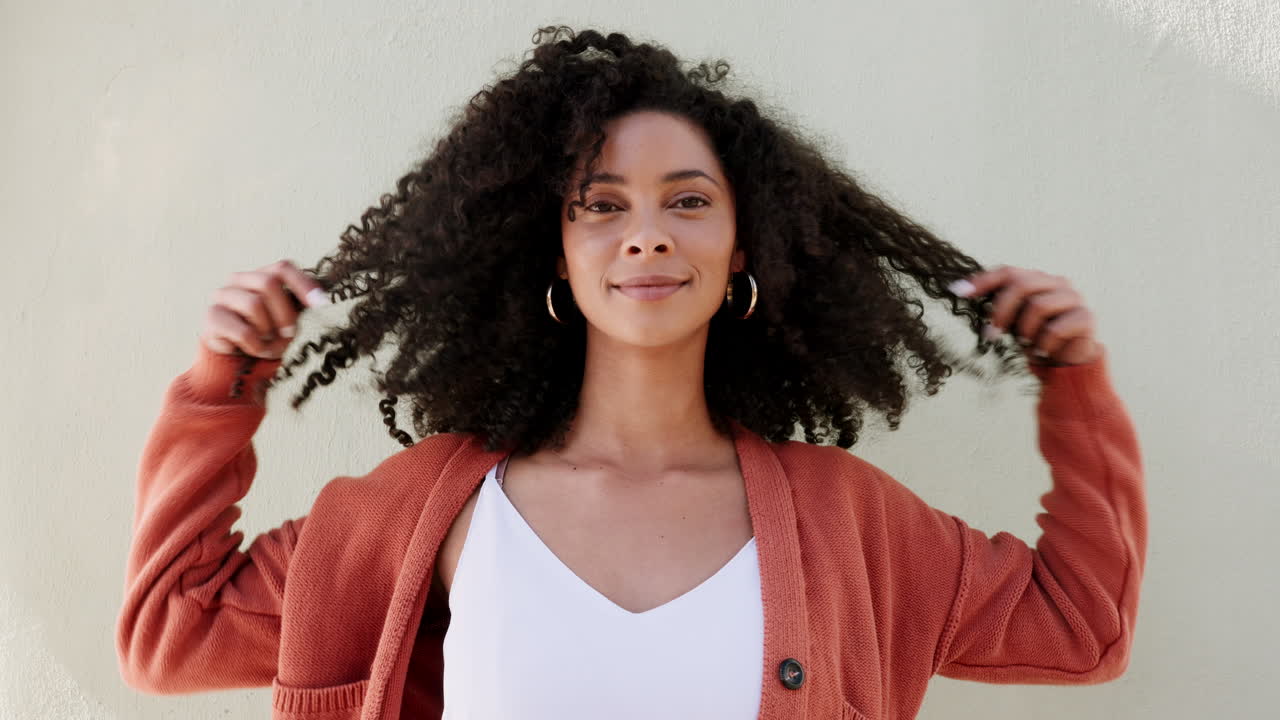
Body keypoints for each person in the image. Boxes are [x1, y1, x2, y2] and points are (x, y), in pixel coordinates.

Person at [115, 25, 1146, 720]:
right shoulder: (421, 513)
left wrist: (1074, 389)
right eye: (600, 206)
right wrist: (224, 384)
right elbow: (170, 632)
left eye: (687, 200)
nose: (645, 235)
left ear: (746, 246)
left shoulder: (847, 522)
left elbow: (1080, 627)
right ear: (553, 253)